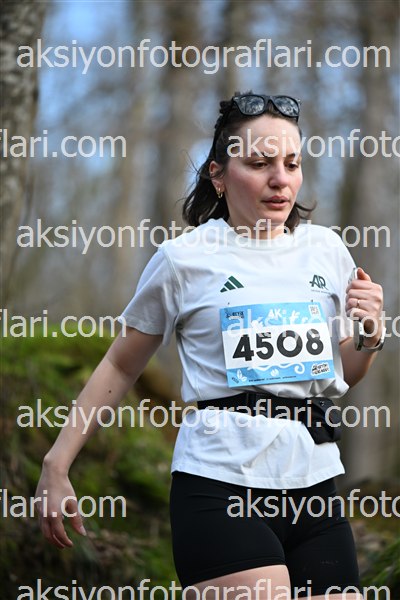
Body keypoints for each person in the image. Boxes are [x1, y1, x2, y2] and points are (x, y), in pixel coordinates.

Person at [36, 93, 385, 600]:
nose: (280, 179)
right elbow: (120, 365)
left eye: (292, 164)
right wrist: (56, 464)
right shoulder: (184, 259)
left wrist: (371, 334)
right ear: (218, 175)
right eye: (260, 164)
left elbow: (342, 372)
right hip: (221, 482)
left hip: (314, 484)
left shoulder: (326, 250)